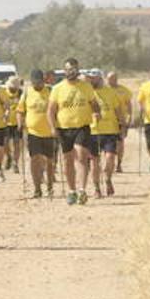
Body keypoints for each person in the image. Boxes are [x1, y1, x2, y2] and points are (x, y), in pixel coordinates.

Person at [46, 57, 101, 205]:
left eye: (74, 69)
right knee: (68, 160)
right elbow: (51, 110)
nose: (72, 71)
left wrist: (97, 112)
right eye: (69, 69)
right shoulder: (57, 89)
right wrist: (52, 127)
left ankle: (82, 190)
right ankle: (72, 191)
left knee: (81, 156)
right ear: (64, 71)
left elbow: (94, 104)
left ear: (78, 70)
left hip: (82, 126)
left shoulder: (86, 86)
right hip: (64, 129)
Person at [16, 69, 55, 198]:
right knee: (35, 159)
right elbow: (20, 111)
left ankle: (50, 186)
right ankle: (37, 188)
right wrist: (20, 124)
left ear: (43, 80)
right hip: (33, 133)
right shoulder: (27, 92)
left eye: (38, 82)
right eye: (34, 82)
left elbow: (58, 108)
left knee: (50, 161)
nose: (36, 85)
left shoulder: (50, 91)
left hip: (49, 133)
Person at [87, 69, 127, 197]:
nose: (91, 80)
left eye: (94, 78)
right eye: (90, 78)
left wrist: (123, 126)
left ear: (100, 78)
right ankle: (97, 188)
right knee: (94, 161)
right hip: (93, 131)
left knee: (110, 158)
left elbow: (118, 110)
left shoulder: (111, 92)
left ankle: (108, 179)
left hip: (110, 130)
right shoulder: (87, 92)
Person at [106, 71, 132, 173]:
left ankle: (119, 164)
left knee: (120, 142)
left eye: (113, 78)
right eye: (109, 78)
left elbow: (129, 105)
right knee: (108, 143)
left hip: (121, 120)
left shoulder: (124, 90)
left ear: (117, 78)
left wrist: (129, 118)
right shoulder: (104, 90)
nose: (111, 80)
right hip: (107, 121)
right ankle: (108, 164)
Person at [4, 76, 24, 174]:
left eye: (15, 87)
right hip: (6, 123)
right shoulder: (4, 93)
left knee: (17, 144)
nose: (13, 89)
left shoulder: (20, 93)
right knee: (5, 143)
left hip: (17, 123)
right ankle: (8, 157)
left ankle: (15, 163)